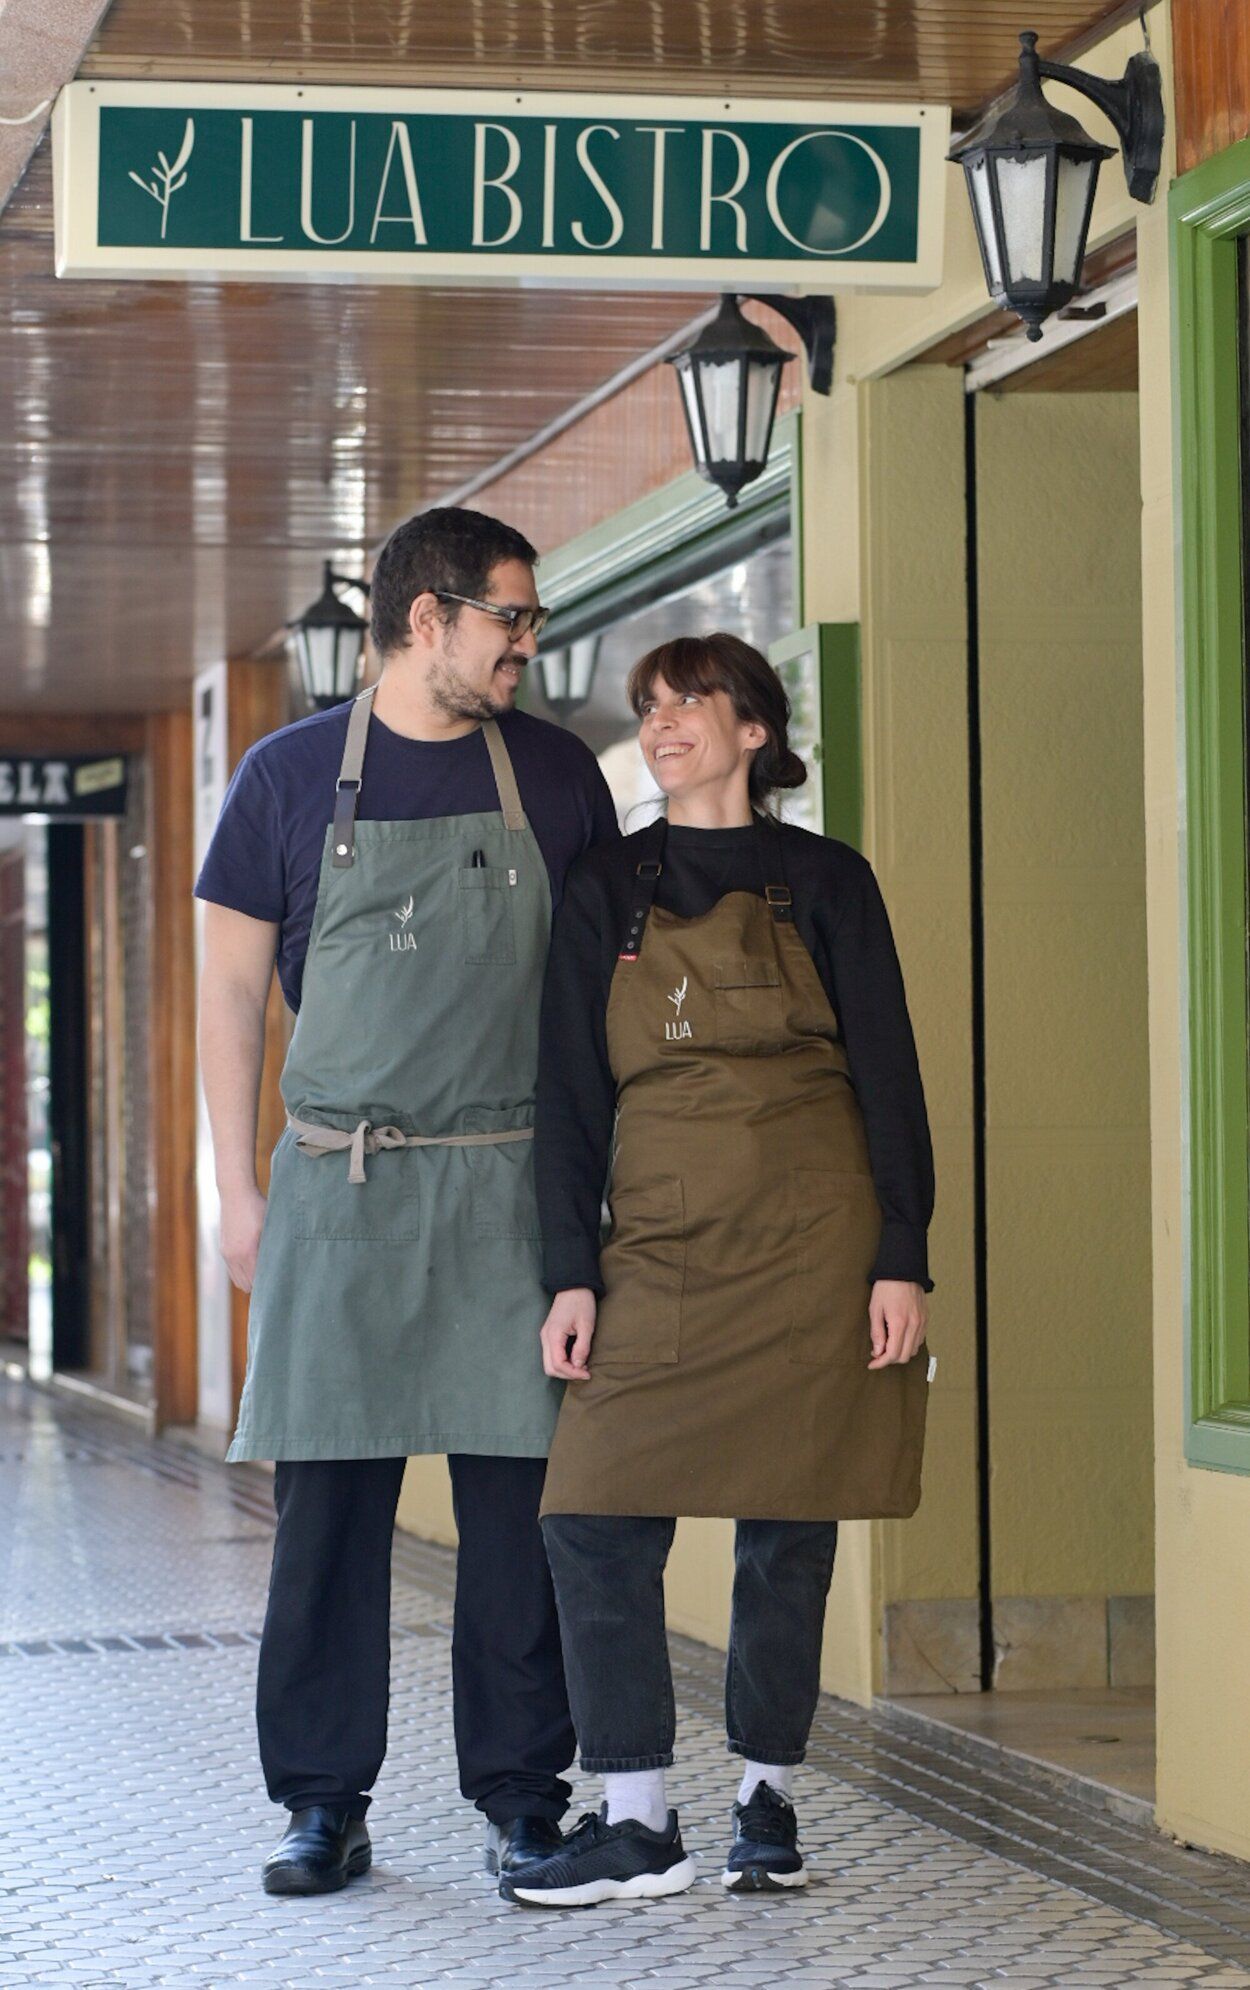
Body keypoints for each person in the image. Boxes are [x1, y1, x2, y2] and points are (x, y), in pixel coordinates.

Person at [196, 506, 619, 1896]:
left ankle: (519, 1792)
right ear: (424, 618)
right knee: (326, 1512)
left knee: (519, 1508)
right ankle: (321, 1798)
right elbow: (230, 997)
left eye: (532, 619)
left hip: (507, 1177)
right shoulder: (283, 775)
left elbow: (592, 1000)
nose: (526, 642)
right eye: (510, 617)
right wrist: (233, 1188)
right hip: (338, 1180)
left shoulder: (554, 778)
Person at [505, 632, 934, 1909]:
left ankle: (766, 1798)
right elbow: (567, 1095)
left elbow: (891, 1080)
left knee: (785, 1523)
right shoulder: (605, 886)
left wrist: (901, 1255)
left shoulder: (827, 881)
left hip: (814, 1234)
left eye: (689, 701)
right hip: (658, 1243)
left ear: (754, 728)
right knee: (589, 1513)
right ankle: (634, 1812)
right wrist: (567, 1271)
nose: (662, 722)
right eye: (648, 706)